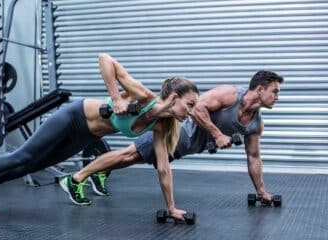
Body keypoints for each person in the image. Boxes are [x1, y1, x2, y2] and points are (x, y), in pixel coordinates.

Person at [0, 53, 199, 222]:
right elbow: (105, 59)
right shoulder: (143, 96)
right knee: (22, 156)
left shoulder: (161, 126)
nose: (190, 112)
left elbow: (164, 169)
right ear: (174, 98)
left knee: (36, 164)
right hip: (72, 117)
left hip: (85, 134)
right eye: (189, 105)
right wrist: (115, 96)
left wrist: (172, 207)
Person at [63, 70, 283, 205]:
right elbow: (196, 109)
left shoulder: (256, 123)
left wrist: (261, 191)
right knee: (129, 154)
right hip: (175, 133)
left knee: (133, 158)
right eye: (274, 91)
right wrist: (216, 134)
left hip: (184, 147)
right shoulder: (230, 94)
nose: (277, 97)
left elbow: (254, 157)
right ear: (260, 89)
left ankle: (96, 173)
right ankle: (75, 178)